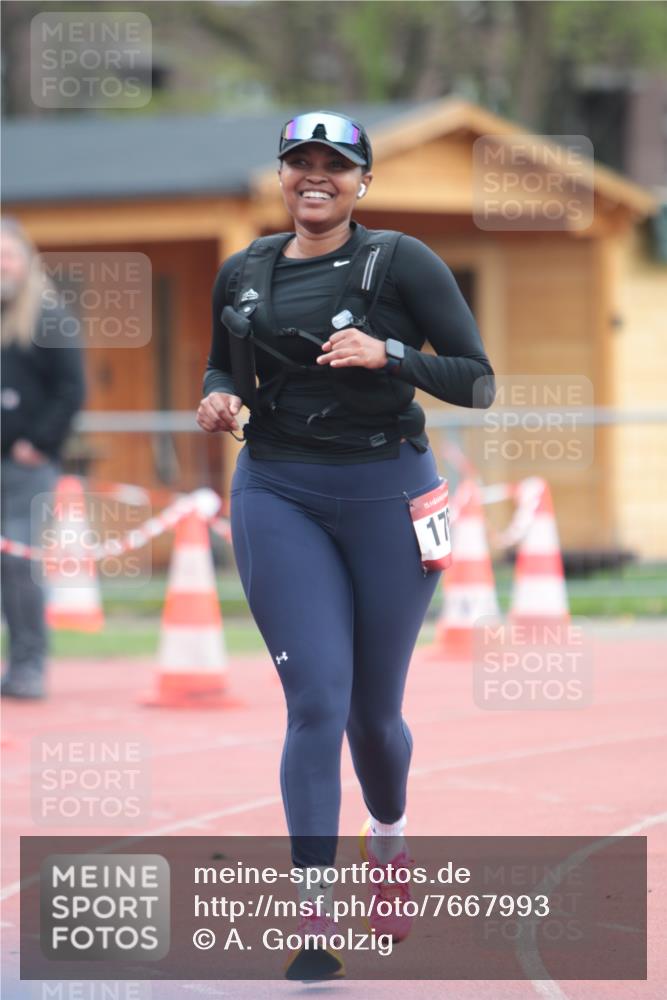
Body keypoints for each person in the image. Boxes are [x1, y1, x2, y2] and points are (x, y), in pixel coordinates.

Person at [197, 110, 495, 980]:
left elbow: (476, 379)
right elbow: (223, 366)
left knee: (373, 717)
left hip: (386, 493)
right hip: (277, 491)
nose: (314, 176)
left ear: (362, 180)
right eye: (299, 163)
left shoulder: (398, 260)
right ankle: (313, 920)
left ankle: (391, 842)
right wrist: (217, 397)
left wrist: (389, 352)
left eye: (335, 164)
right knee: (316, 703)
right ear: (282, 178)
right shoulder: (243, 271)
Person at [1, 217, 86, 699]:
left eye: (7, 255)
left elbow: (72, 389)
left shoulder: (48, 316)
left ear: (24, 260)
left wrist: (38, 442)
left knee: (19, 562)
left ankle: (29, 664)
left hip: (26, 465)